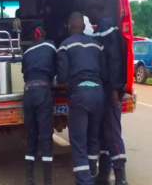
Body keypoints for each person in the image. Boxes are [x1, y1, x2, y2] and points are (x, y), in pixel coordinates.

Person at [56, 12, 107, 185]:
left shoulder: (65, 46)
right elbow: (105, 73)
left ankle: (84, 181)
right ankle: (92, 173)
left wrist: (54, 80)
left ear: (69, 26)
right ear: (84, 26)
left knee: (78, 141)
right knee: (93, 137)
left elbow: (61, 78)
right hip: (98, 93)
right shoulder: (97, 45)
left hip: (80, 95)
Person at [86, 0, 129, 185]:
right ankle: (104, 174)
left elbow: (114, 60)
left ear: (96, 9)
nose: (87, 16)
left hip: (110, 87)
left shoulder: (106, 27)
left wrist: (114, 88)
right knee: (104, 132)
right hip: (105, 88)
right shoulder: (104, 27)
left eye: (88, 12)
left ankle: (121, 178)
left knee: (111, 132)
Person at [21, 24, 57, 185]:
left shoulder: (26, 52)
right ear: (44, 34)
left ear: (32, 37)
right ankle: (47, 182)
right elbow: (57, 67)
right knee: (45, 136)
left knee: (31, 135)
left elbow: (24, 73)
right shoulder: (51, 45)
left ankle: (29, 180)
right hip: (43, 92)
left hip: (28, 93)